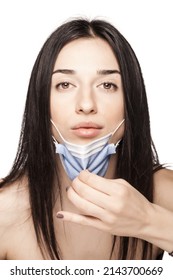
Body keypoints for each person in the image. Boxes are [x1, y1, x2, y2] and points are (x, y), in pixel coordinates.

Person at [0, 18, 173, 260]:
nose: (86, 105)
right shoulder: (4, 209)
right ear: (40, 102)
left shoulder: (165, 193)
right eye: (65, 84)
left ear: (131, 101)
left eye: (107, 85)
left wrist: (149, 221)